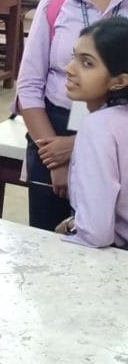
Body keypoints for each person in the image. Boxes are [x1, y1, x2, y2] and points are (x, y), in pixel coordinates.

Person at [17, 0, 128, 231]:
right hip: (51, 130)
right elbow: (29, 85)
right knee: (49, 239)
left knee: (108, 238)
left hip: (120, 138)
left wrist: (80, 147)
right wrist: (53, 155)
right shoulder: (56, 4)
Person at [55, 17, 128, 248]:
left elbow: (96, 233)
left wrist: (73, 227)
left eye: (87, 63)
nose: (69, 69)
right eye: (73, 57)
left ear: (119, 81)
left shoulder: (99, 127)